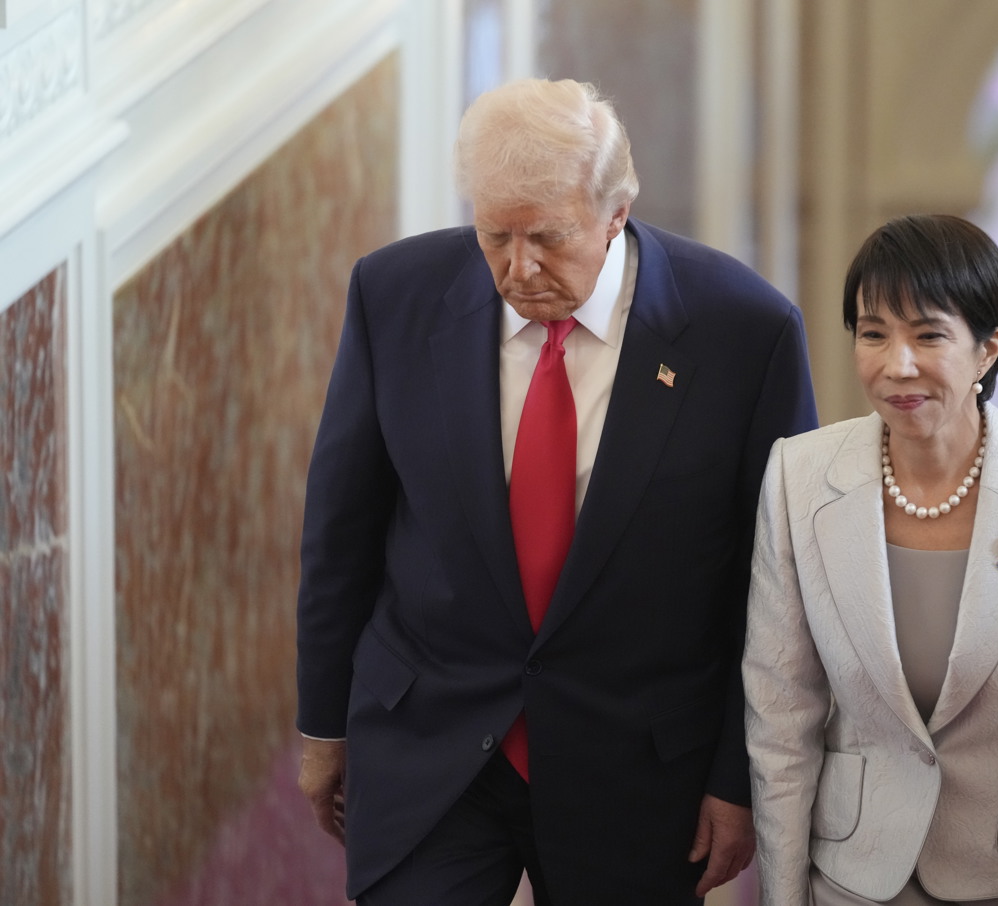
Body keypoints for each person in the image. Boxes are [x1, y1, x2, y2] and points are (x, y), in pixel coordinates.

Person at [295, 77, 817, 905]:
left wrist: (736, 777)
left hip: (634, 767)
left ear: (617, 212)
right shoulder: (394, 296)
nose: (518, 266)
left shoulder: (745, 334)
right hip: (432, 743)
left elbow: (775, 587)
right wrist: (323, 725)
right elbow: (341, 531)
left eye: (546, 236)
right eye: (494, 234)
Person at [743, 215, 998, 906]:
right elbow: (780, 707)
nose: (896, 363)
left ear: (988, 349)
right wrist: (784, 896)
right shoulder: (799, 476)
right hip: (860, 874)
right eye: (873, 333)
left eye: (928, 335)